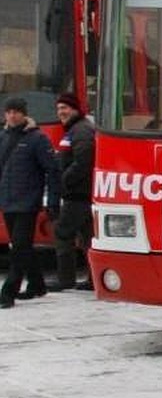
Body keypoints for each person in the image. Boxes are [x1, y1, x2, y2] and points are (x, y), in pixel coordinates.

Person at [0, 96, 60, 308]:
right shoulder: (3, 137)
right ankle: (37, 284)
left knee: (19, 248)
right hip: (7, 201)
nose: (12, 115)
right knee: (21, 246)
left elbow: (52, 171)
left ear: (24, 113)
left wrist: (52, 202)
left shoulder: (37, 139)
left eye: (16, 111)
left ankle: (8, 293)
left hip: (27, 203)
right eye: (9, 111)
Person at [51, 91, 95, 291]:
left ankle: (65, 279)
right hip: (79, 194)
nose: (61, 112)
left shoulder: (81, 130)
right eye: (59, 109)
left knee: (62, 233)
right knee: (87, 237)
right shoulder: (74, 129)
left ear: (75, 109)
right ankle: (93, 279)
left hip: (78, 194)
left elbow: (83, 161)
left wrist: (64, 179)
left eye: (65, 108)